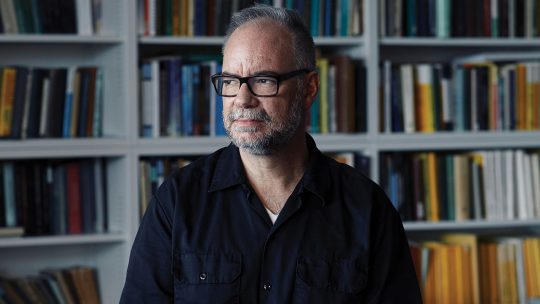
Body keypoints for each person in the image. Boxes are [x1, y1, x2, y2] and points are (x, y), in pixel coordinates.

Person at [120, 4, 422, 304]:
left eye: (263, 80)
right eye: (229, 81)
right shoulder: (176, 202)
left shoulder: (368, 210)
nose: (242, 99)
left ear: (309, 88)